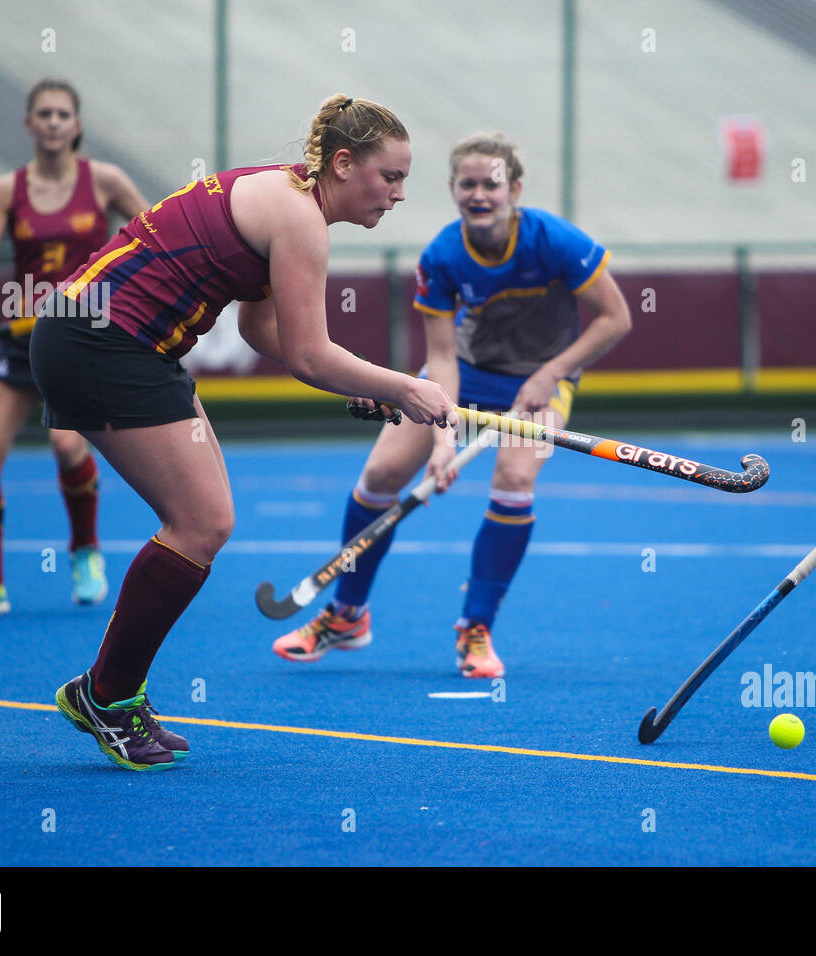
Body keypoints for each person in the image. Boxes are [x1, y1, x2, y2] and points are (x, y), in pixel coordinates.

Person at [32, 94, 456, 770]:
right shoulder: (299, 217)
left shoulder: (286, 197)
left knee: (206, 522)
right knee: (201, 523)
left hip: (121, 344)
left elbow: (272, 338)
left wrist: (374, 388)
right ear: (344, 165)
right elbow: (312, 355)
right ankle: (106, 696)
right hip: (102, 342)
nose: (400, 195)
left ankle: (112, 691)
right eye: (392, 177)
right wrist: (404, 386)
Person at [273, 132, 631, 678]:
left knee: (513, 478)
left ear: (514, 189)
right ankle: (347, 614)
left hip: (538, 385)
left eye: (491, 184)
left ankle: (476, 627)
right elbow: (440, 360)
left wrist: (550, 372)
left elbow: (616, 319)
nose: (479, 194)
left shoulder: (553, 240)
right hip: (463, 377)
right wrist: (445, 440)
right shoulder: (442, 255)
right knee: (383, 472)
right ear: (453, 189)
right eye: (468, 184)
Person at [0, 79, 148, 617]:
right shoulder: (8, 189)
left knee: (67, 446)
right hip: (20, 339)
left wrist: (123, 294)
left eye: (62, 114)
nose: (53, 122)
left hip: (76, 340)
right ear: (28, 125)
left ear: (76, 126)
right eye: (43, 114)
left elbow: (153, 237)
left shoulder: (104, 180)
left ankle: (84, 552)